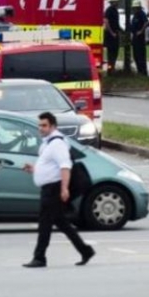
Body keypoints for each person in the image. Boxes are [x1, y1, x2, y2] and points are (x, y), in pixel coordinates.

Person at [22, 112, 95, 268]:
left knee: (45, 224)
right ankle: (85, 250)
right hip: (48, 188)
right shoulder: (47, 143)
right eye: (39, 125)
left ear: (53, 126)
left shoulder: (57, 144)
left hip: (53, 189)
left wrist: (64, 189)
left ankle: (40, 257)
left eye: (44, 125)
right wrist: (35, 169)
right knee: (60, 222)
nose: (41, 128)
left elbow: (65, 166)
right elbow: (50, 167)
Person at [103, 0, 121, 72]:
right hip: (111, 35)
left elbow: (115, 23)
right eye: (116, 1)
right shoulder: (109, 10)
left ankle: (112, 68)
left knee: (115, 52)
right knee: (111, 53)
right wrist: (112, 33)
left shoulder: (115, 10)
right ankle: (110, 69)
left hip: (115, 34)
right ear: (113, 1)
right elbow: (106, 22)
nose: (117, 2)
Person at [130, 0, 148, 75]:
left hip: (140, 38)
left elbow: (146, 22)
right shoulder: (135, 15)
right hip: (135, 37)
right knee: (136, 55)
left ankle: (143, 71)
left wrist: (141, 31)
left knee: (140, 55)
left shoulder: (141, 13)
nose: (134, 9)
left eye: (135, 7)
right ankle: (139, 70)